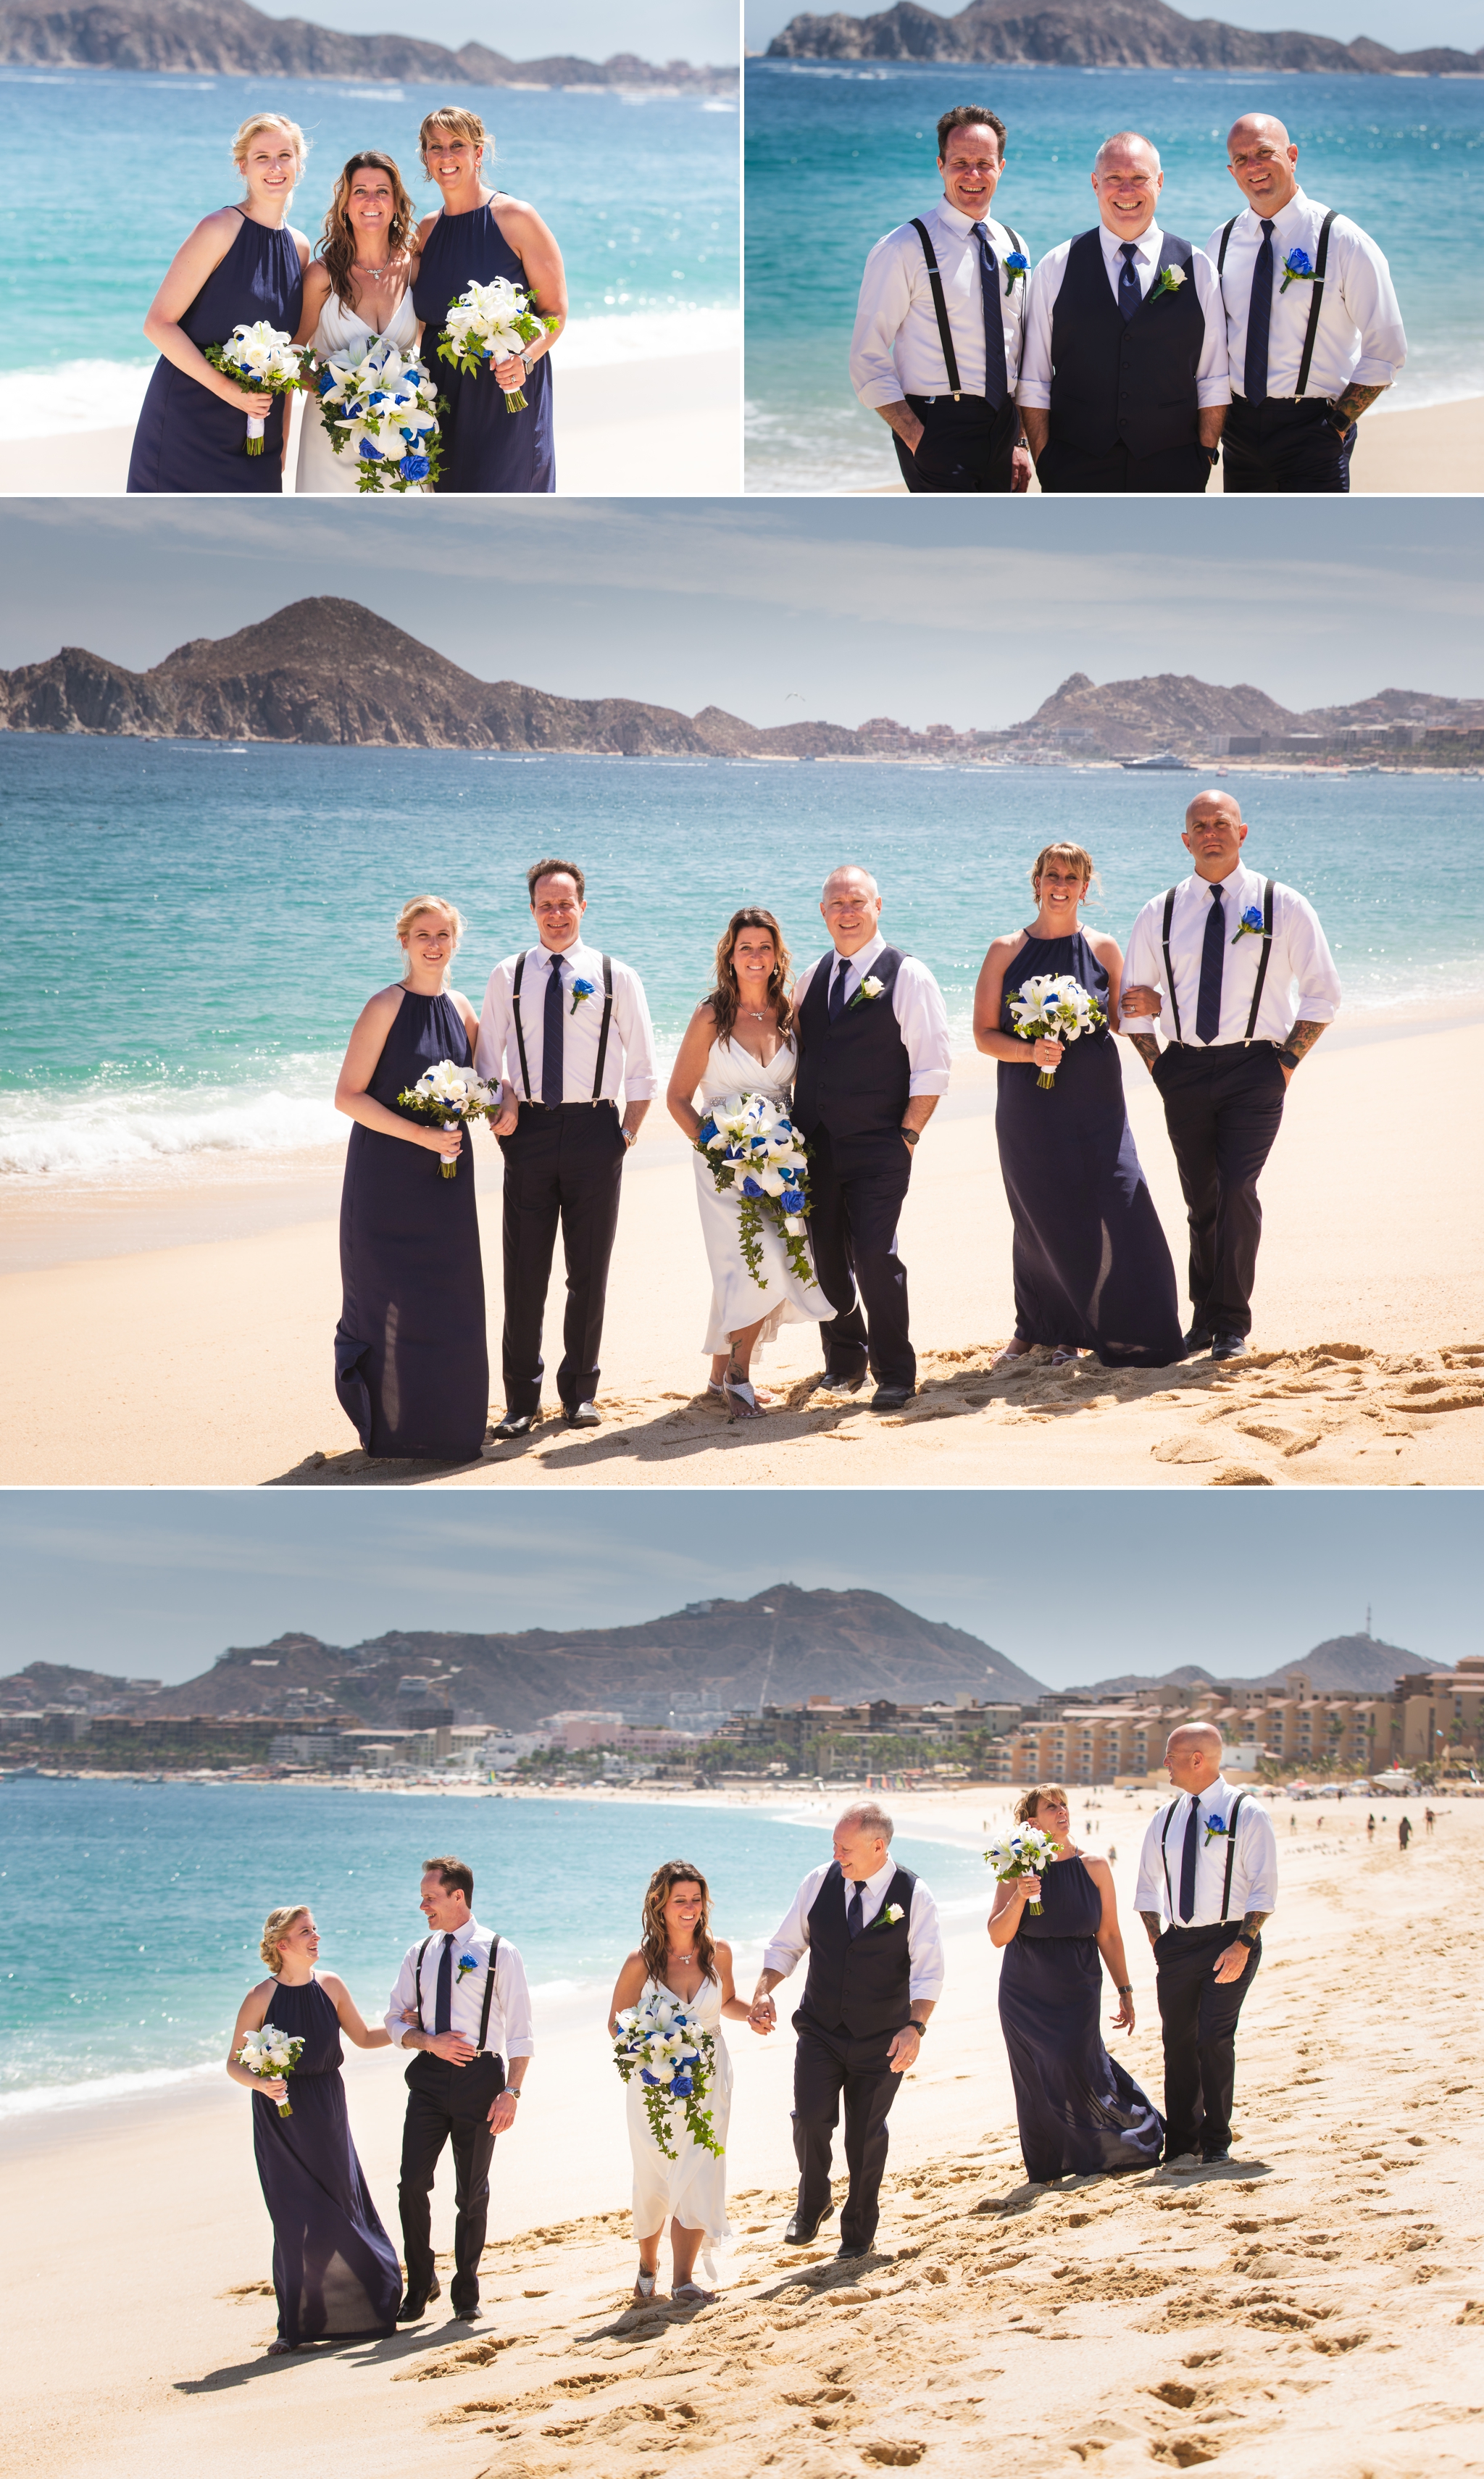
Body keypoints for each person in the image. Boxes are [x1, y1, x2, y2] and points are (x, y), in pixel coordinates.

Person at [1119, 789, 1342, 1359]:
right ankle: (1204, 1320)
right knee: (1202, 1199)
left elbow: (1323, 994)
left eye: (1221, 823)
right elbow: (1133, 1003)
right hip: (1183, 1068)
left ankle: (1232, 1324)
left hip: (1256, 1067)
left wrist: (1285, 1064)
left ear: (1242, 833)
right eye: (1199, 826)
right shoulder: (1159, 911)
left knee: (1238, 1188)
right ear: (1185, 840)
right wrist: (1160, 1067)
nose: (1211, 833)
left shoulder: (1282, 904)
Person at [972, 840, 1183, 1369]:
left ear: (1085, 889)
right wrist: (1030, 1051)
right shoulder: (1005, 950)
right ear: (1037, 882)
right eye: (1052, 875)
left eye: (1071, 878)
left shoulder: (1104, 949)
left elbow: (1122, 1020)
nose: (1060, 886)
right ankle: (1039, 1329)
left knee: (1119, 1201)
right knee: (1038, 1210)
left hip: (1095, 1103)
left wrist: (1155, 1004)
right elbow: (983, 1034)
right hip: (1028, 1104)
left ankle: (1116, 1329)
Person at [476, 859, 657, 1437]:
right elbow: (487, 1061)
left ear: (583, 906)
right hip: (527, 1134)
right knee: (523, 1275)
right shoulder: (508, 974)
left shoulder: (615, 975)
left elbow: (643, 1067)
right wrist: (501, 1107)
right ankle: (520, 1402)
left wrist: (625, 1134)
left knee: (589, 1273)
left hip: (596, 1133)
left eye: (566, 903)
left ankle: (580, 1392)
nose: (557, 914)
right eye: (546, 905)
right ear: (532, 910)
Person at [748, 1801, 943, 2262]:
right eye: (834, 1845)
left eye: (845, 1848)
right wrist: (763, 1991)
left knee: (864, 2135)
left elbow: (928, 1972)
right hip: (820, 2030)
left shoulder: (915, 1895)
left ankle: (858, 2229)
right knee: (810, 2119)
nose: (836, 1855)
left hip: (883, 2039)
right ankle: (814, 2201)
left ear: (878, 1846)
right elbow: (786, 1946)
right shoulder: (818, 1882)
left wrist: (915, 2027)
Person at [333, 894, 489, 1462]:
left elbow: (483, 1084)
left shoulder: (462, 1007)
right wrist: (421, 1136)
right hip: (386, 1178)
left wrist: (502, 1108)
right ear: (404, 941)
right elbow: (347, 1096)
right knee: (385, 1298)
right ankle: (390, 1431)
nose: (434, 944)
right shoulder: (384, 1006)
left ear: (455, 941)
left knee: (448, 1298)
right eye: (423, 934)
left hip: (447, 1179)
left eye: (443, 934)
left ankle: (449, 1428)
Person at [791, 866, 952, 1412]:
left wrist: (908, 1133)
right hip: (817, 1146)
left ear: (878, 906)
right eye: (837, 903)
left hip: (880, 1144)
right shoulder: (810, 977)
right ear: (823, 913)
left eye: (857, 901)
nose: (847, 912)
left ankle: (895, 1372)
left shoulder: (909, 975)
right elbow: (801, 1057)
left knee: (874, 1255)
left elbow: (932, 1067)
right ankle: (844, 1361)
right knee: (825, 1258)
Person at [666, 907, 830, 1417]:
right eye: (746, 948)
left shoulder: (788, 1012)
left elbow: (807, 1087)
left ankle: (719, 1377)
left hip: (780, 1160)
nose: (755, 956)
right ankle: (740, 1378)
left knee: (744, 1265)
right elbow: (677, 1098)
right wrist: (718, 1153)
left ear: (777, 956)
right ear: (730, 956)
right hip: (722, 1163)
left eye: (764, 947)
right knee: (753, 1262)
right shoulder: (711, 1016)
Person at [226, 1904, 400, 2354]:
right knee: (292, 2216)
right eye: (306, 1931)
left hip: (326, 2109)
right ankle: (293, 2325)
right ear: (283, 1944)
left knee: (340, 2202)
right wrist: (262, 2083)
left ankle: (371, 2299)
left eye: (315, 1929)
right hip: (280, 2117)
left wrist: (407, 2028)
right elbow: (234, 2064)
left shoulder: (332, 1986)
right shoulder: (260, 1997)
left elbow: (364, 2037)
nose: (316, 1936)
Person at [1017, 132, 1228, 494]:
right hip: (1074, 466)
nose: (1126, 190)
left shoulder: (1199, 267)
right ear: (1095, 183)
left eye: (1139, 178)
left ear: (1159, 182)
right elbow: (1034, 378)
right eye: (1114, 177)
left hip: (1174, 467)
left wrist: (1204, 456)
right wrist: (1045, 460)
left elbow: (1214, 377)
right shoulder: (1056, 266)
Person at [1211, 114, 1406, 495]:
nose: (1253, 166)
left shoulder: (1343, 239)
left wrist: (1338, 425)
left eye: (1264, 152)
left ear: (1292, 156)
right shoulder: (1222, 240)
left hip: (1315, 432)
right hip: (1239, 434)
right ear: (1232, 172)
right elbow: (1215, 341)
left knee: (1316, 532)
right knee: (1245, 534)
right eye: (1241, 159)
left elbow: (1387, 348)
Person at [849, 105, 1033, 493]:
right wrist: (917, 438)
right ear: (940, 165)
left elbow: (1018, 348)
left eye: (984, 164)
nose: (972, 175)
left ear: (1001, 167)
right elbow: (867, 356)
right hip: (936, 425)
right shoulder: (903, 246)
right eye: (960, 163)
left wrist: (1019, 440)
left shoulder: (1014, 244)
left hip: (1004, 426)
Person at [383, 1855, 533, 2325]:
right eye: (423, 1897)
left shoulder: (500, 1952)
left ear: (458, 1897)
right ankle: (420, 2282)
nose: (422, 1906)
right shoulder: (419, 1953)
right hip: (428, 2079)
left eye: (430, 1897)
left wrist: (512, 2091)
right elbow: (393, 2020)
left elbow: (521, 2033)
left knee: (471, 2192)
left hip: (480, 2079)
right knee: (412, 2183)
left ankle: (466, 2291)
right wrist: (427, 2040)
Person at [128, 113, 310, 494]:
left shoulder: (299, 248)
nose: (275, 167)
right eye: (262, 157)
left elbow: (290, 356)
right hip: (188, 426)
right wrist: (231, 393)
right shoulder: (219, 228)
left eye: (284, 155)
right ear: (243, 166)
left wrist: (280, 442)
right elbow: (158, 324)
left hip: (258, 434)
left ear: (298, 163)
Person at [990, 1785, 1162, 2186]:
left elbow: (1110, 1934)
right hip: (1024, 1989)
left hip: (1078, 1983)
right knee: (1037, 2077)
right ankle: (1051, 2164)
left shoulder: (1095, 1866)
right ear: (1032, 1823)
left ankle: (1112, 2145)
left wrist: (1125, 1991)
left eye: (1064, 1804)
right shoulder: (1016, 1866)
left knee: (1079, 2064)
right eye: (1051, 1807)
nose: (1062, 1810)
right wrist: (1020, 1896)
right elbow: (998, 1935)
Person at [607, 1862, 752, 2304]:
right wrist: (654, 2048)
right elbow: (616, 2025)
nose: (690, 1908)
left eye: (696, 1900)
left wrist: (754, 2013)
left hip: (709, 2079)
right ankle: (648, 2265)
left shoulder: (718, 1952)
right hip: (655, 2084)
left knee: (701, 2170)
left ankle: (683, 2279)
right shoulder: (641, 1962)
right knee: (654, 2175)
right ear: (660, 1905)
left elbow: (727, 2001)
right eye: (680, 1900)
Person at [1135, 1724, 1279, 2168]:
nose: (1165, 1763)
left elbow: (1264, 1889)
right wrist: (1160, 1944)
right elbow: (1147, 1888)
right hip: (1177, 1945)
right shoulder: (1164, 1819)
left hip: (1229, 1940)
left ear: (1197, 1759)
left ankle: (1216, 2141)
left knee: (1214, 2039)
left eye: (1171, 1755)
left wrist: (1243, 1944)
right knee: (1177, 2043)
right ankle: (1183, 2142)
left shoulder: (1246, 1812)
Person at [411, 107, 566, 493]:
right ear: (426, 158)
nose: (446, 156)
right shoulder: (425, 231)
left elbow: (555, 312)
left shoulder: (516, 218)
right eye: (435, 147)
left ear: (478, 153)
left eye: (457, 145)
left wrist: (526, 359)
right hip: (442, 401)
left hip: (506, 397)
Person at [295, 151, 425, 494]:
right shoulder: (321, 276)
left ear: (395, 204)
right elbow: (294, 354)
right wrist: (343, 396)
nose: (372, 201)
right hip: (332, 435)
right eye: (360, 191)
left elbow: (428, 347)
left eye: (382, 191)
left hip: (401, 438)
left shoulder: (413, 269)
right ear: (345, 205)